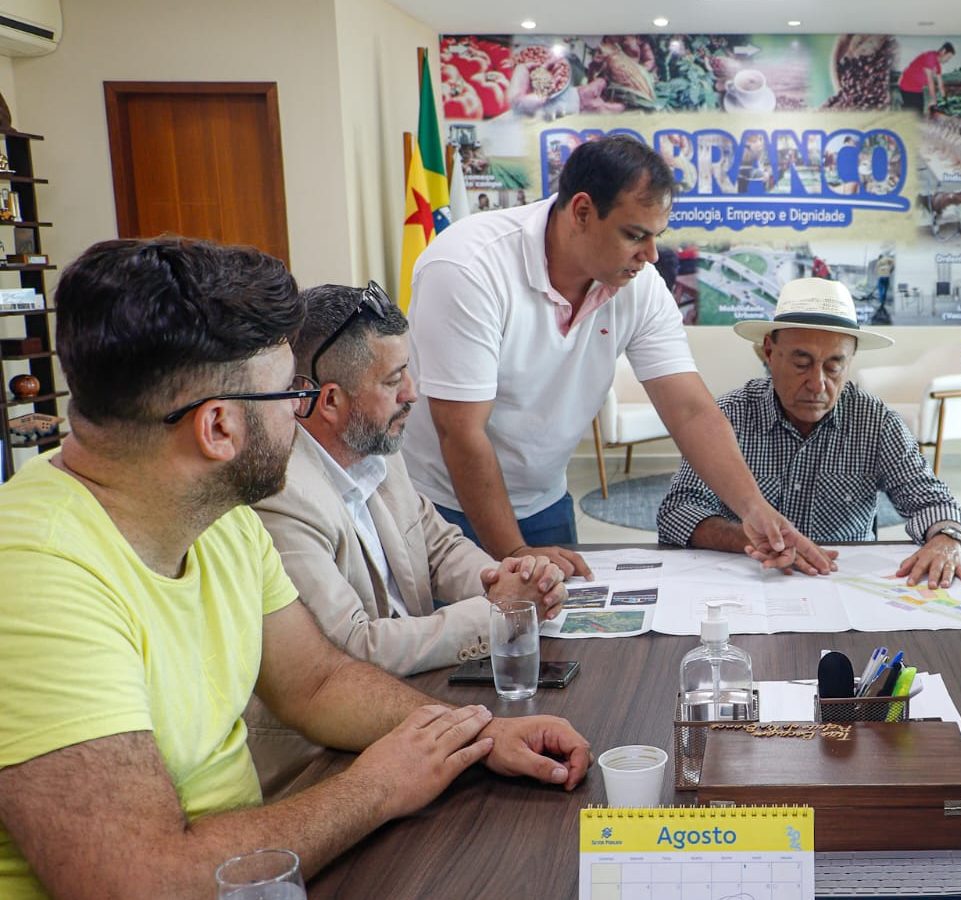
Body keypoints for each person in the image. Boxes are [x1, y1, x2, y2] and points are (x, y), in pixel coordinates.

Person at [0, 238, 591, 899]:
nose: (299, 412)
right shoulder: (34, 579)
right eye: (288, 393)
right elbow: (142, 881)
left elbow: (317, 682)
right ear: (219, 428)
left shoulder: (217, 514)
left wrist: (479, 738)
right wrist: (379, 784)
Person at [402, 134, 835, 577]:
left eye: (657, 237)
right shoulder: (468, 267)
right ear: (583, 212)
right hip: (443, 508)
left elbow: (689, 411)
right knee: (468, 641)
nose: (649, 256)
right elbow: (460, 433)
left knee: (560, 640)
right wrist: (513, 551)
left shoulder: (638, 284)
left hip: (544, 499)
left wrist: (754, 510)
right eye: (634, 235)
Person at [248, 282, 569, 796]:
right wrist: (498, 612)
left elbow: (438, 544)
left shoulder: (376, 447)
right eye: (394, 380)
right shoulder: (279, 496)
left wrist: (506, 579)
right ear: (329, 402)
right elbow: (350, 650)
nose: (413, 393)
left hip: (417, 701)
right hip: (326, 763)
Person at [658, 278, 961, 588]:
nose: (818, 384)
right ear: (769, 352)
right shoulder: (731, 415)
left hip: (843, 588)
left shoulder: (875, 422)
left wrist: (946, 539)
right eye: (801, 363)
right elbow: (676, 513)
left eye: (834, 366)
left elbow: (936, 502)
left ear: (850, 362)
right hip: (752, 584)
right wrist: (756, 539)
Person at [897, 42, 955, 115]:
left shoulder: (938, 66)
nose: (948, 60)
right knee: (914, 115)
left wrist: (945, 101)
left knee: (919, 113)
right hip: (907, 86)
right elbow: (930, 81)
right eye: (948, 57)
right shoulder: (931, 57)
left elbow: (941, 85)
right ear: (943, 52)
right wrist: (934, 100)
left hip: (917, 89)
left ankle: (904, 107)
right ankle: (903, 108)